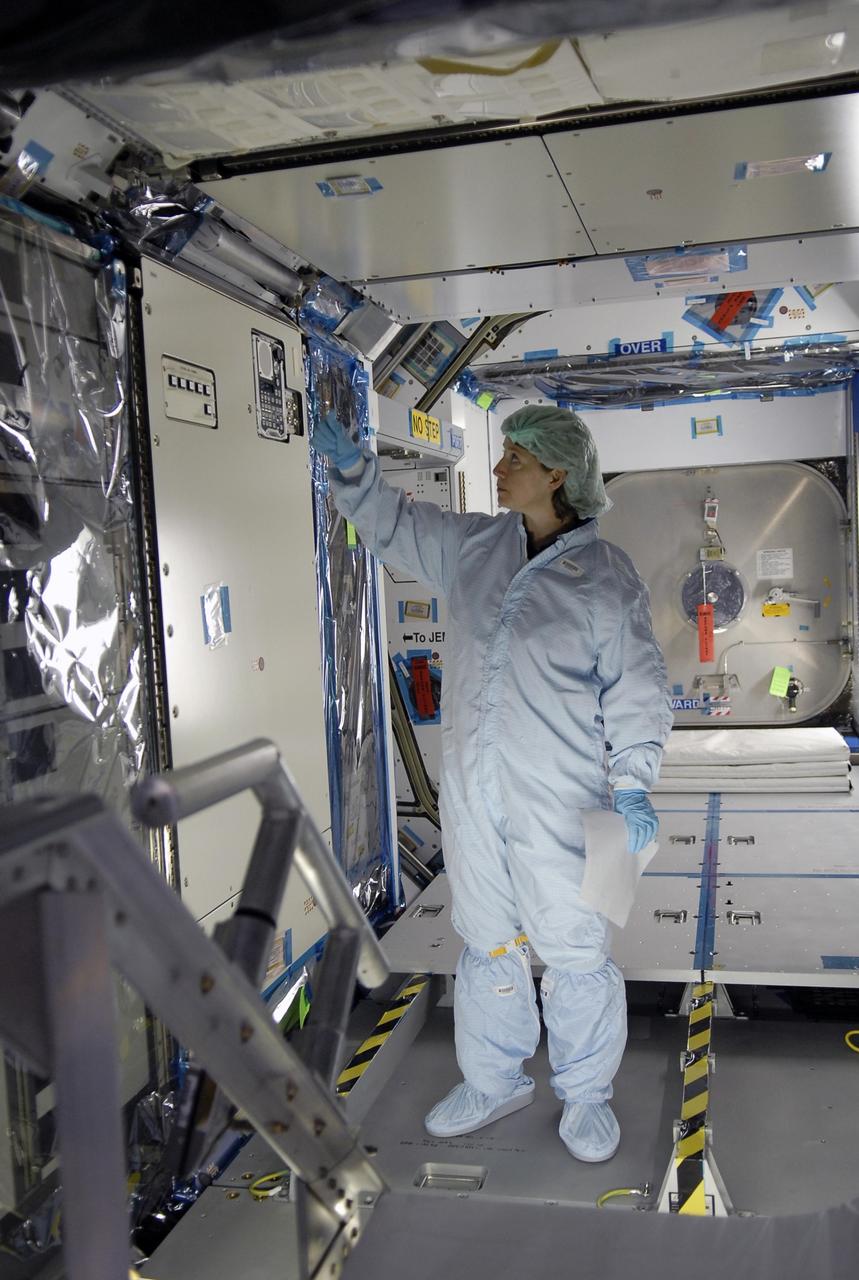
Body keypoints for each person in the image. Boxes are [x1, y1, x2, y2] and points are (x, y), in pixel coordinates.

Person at [313, 402, 672, 1163]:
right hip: (474, 793)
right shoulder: (475, 544)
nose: (500, 468)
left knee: (574, 951)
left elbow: (637, 688)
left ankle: (583, 1097)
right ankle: (494, 1078)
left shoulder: (605, 576)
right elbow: (394, 525)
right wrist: (352, 472)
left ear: (558, 475)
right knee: (485, 940)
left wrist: (634, 782)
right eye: (502, 453)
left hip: (565, 800)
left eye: (516, 458)